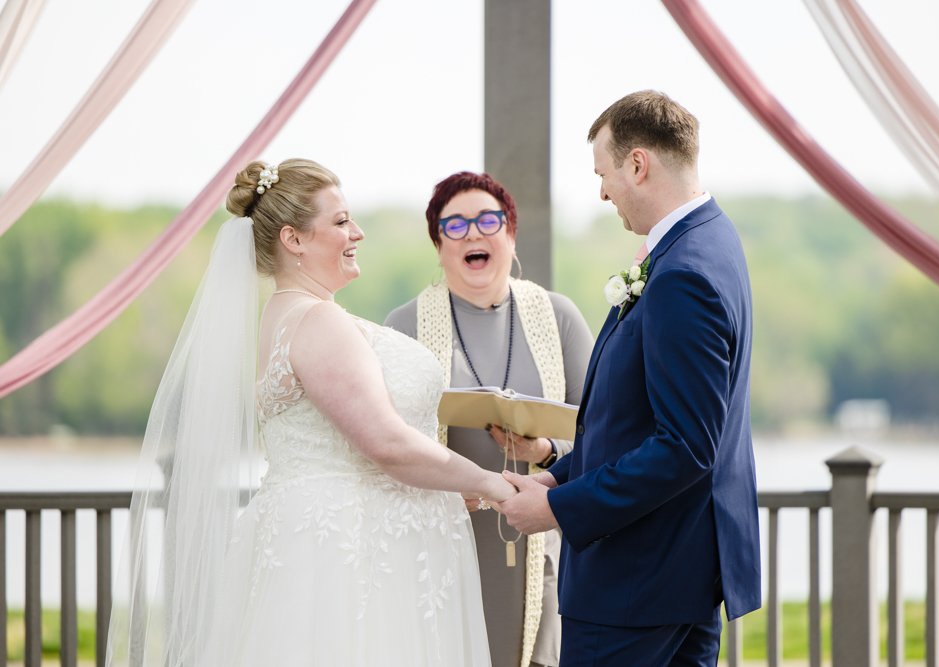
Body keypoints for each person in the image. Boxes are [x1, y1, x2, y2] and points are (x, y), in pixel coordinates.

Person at [108, 159, 514, 666]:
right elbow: (384, 442)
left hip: (334, 542)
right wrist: (491, 483)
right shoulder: (318, 321)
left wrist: (446, 490)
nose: (357, 232)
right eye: (341, 221)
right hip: (350, 558)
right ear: (294, 240)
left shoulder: (284, 316)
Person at [499, 90, 762, 665]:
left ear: (638, 164)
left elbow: (686, 445)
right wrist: (558, 477)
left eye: (603, 173)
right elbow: (640, 420)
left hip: (636, 584)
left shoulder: (682, 273)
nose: (601, 191)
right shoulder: (713, 241)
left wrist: (559, 511)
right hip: (678, 575)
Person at [384, 171, 593, 667]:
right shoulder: (403, 326)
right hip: (441, 537)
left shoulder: (559, 317)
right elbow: (385, 440)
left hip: (539, 539)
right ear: (438, 245)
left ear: (511, 235)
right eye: (454, 226)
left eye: (487, 221)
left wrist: (544, 450)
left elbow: (601, 431)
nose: (473, 234)